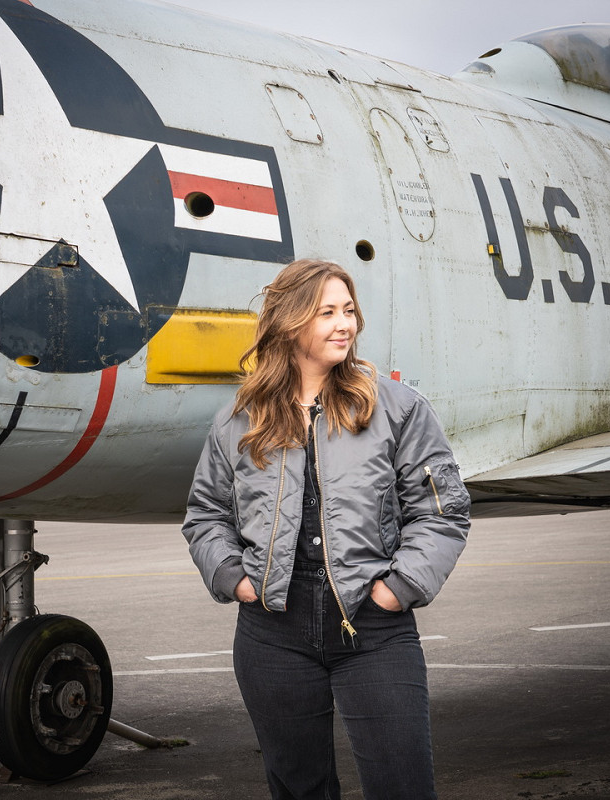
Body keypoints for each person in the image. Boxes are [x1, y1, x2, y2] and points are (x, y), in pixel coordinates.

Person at [182, 259, 470, 800]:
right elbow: (206, 514)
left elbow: (443, 511)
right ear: (290, 323)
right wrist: (235, 579)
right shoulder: (239, 419)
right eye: (327, 313)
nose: (345, 325)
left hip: (373, 628)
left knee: (403, 787)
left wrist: (397, 589)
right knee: (299, 789)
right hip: (272, 634)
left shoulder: (398, 409)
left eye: (349, 311)